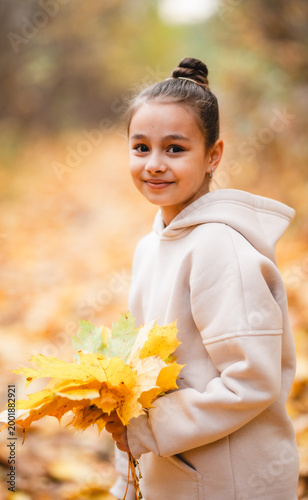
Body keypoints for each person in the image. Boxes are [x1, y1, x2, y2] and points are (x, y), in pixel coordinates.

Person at [102, 57, 299, 500]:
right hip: (170, 477)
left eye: (175, 149)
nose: (154, 164)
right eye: (140, 147)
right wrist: (127, 477)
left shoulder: (219, 249)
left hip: (229, 482)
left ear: (213, 156)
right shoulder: (150, 247)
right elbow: (136, 376)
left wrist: (149, 429)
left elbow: (252, 378)